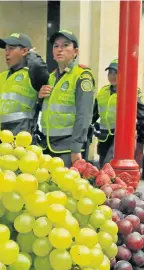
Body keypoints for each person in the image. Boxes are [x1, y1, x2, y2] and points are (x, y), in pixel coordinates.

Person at [0, 33, 49, 146]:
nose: (7, 53)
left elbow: (38, 66)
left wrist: (31, 54)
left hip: (21, 139)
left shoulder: (32, 75)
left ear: (24, 51)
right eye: (6, 49)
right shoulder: (0, 77)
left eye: (11, 49)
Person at [38, 29, 95, 168]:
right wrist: (40, 98)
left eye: (65, 45)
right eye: (56, 46)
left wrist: (76, 148)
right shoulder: (51, 77)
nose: (59, 49)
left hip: (68, 148)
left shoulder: (82, 76)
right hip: (47, 146)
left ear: (76, 52)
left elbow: (84, 115)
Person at [92, 59, 144, 168]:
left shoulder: (130, 91)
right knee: (103, 169)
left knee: (108, 168)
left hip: (120, 138)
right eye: (110, 72)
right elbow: (92, 115)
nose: (112, 76)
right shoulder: (103, 92)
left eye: (116, 72)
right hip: (103, 138)